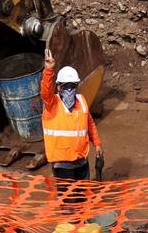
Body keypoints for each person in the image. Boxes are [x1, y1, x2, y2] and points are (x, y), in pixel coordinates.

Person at [41, 48, 102, 181]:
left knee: (83, 196)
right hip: (62, 165)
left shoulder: (81, 101)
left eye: (73, 86)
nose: (70, 90)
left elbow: (90, 124)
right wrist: (49, 70)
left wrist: (97, 143)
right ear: (59, 87)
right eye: (66, 86)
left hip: (81, 161)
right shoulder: (52, 104)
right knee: (68, 200)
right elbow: (45, 93)